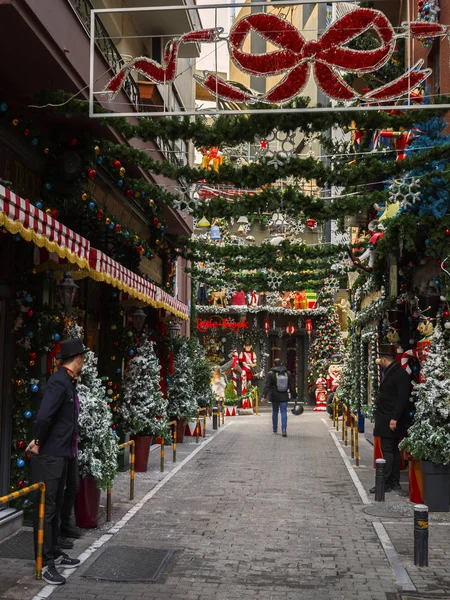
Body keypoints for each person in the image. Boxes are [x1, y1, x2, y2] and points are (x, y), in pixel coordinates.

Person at [26, 338, 88, 585]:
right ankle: (45, 563)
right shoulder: (58, 382)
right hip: (50, 455)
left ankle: (54, 553)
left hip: (61, 454)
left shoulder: (68, 382)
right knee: (46, 509)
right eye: (83, 358)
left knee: (57, 503)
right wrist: (38, 441)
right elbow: (43, 417)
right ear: (78, 359)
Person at [369, 344, 411, 494]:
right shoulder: (392, 371)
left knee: (388, 451)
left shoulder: (399, 374)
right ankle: (394, 481)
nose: (379, 361)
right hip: (387, 418)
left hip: (390, 419)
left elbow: (402, 399)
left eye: (381, 358)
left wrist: (394, 418)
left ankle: (385, 482)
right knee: (392, 450)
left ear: (385, 359)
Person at [261, 358, 296, 437]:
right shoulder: (287, 373)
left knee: (275, 412)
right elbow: (292, 385)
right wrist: (294, 396)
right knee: (284, 412)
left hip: (274, 395)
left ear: (273, 364)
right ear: (281, 364)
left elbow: (267, 385)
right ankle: (284, 429)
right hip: (284, 395)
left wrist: (264, 396)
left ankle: (275, 429)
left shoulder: (271, 373)